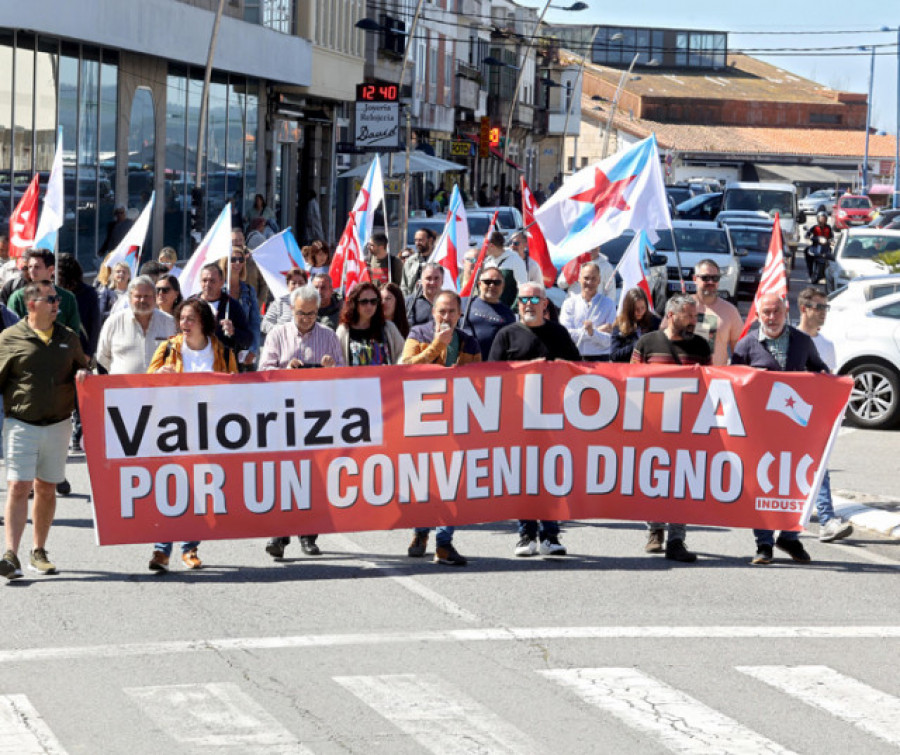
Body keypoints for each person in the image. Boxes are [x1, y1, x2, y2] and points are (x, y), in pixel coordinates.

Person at [0, 280, 90, 580]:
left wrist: (84, 372)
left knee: (47, 487)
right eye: (49, 299)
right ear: (31, 305)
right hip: (20, 424)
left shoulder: (69, 337)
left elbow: (84, 368)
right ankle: (10, 554)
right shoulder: (9, 338)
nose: (56, 304)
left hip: (58, 424)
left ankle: (39, 551)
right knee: (17, 486)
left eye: (56, 300)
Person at [732, 292, 830, 565]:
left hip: (795, 430)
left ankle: (789, 537)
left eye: (776, 312)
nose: (772, 318)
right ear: (758, 315)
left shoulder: (803, 342)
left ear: (786, 312)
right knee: (761, 485)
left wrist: (841, 383)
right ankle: (764, 545)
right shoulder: (747, 345)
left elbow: (820, 372)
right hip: (759, 432)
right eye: (766, 313)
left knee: (794, 484)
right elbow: (732, 382)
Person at [147, 298, 238, 571]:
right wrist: (157, 375)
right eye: (182, 318)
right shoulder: (168, 348)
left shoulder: (221, 351)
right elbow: (147, 381)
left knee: (201, 489)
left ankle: (190, 548)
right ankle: (161, 551)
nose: (184, 324)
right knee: (171, 487)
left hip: (209, 431)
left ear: (203, 323)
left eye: (190, 319)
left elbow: (236, 387)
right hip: (172, 429)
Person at [489, 283, 579, 557]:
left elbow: (577, 367)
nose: (528, 304)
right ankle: (526, 535)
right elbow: (491, 374)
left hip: (552, 417)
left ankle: (551, 535)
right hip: (517, 418)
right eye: (524, 299)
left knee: (550, 476)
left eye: (534, 299)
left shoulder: (558, 333)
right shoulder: (506, 335)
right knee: (524, 477)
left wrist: (552, 369)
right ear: (518, 305)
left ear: (544, 305)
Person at [259, 285, 344, 560]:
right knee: (284, 476)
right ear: (292, 309)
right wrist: (285, 370)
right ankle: (279, 534)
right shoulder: (277, 334)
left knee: (314, 478)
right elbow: (263, 372)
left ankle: (309, 535)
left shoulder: (329, 336)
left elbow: (346, 377)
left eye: (311, 313)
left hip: (318, 417)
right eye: (301, 313)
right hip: (283, 415)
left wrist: (332, 369)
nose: (306, 318)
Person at [401, 290, 481, 566]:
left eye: (451, 312)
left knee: (451, 481)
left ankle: (444, 542)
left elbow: (478, 382)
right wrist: (436, 345)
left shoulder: (469, 342)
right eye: (441, 311)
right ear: (433, 312)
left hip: (455, 421)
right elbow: (405, 367)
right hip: (421, 421)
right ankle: (421, 532)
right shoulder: (418, 334)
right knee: (424, 479)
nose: (446, 317)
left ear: (460, 314)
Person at [631, 294, 710, 563]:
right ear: (672, 315)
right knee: (654, 479)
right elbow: (630, 381)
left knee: (682, 484)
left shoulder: (701, 345)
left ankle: (677, 539)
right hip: (652, 427)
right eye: (688, 315)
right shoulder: (647, 343)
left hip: (688, 428)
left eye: (695, 315)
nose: (693, 320)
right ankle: (655, 531)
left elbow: (710, 384)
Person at [796, 287, 853, 544]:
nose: (823, 313)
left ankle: (827, 520)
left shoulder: (827, 345)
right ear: (804, 308)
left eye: (825, 308)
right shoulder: (790, 338)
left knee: (820, 468)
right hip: (786, 415)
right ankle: (777, 519)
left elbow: (829, 382)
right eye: (819, 307)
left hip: (815, 417)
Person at [56, 254, 101, 454]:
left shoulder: (89, 293)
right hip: (58, 353)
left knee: (80, 395)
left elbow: (94, 324)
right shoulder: (54, 295)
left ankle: (78, 435)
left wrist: (90, 352)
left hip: (81, 351)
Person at [97, 276, 176, 375]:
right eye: (138, 296)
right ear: (130, 298)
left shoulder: (169, 323)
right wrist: (121, 371)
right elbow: (102, 356)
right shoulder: (113, 322)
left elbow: (177, 354)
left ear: (155, 297)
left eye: (147, 296)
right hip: (124, 388)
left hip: (160, 387)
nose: (142, 300)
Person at [8, 250, 81, 333]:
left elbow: (74, 333)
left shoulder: (67, 298)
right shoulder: (18, 297)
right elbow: (12, 332)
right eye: (30, 267)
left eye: (37, 267)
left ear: (51, 269)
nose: (32, 271)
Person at [336, 281, 405, 365]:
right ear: (354, 303)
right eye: (364, 302)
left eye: (373, 301)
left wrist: (400, 364)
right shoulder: (343, 331)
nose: (369, 306)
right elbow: (337, 360)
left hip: (387, 377)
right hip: (355, 377)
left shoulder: (388, 327)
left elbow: (402, 353)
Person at [560, 261, 617, 361]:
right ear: (579, 279)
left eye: (593, 279)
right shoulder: (569, 304)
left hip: (600, 360)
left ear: (599, 280)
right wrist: (594, 331)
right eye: (586, 278)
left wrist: (593, 332)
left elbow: (609, 340)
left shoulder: (609, 304)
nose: (589, 282)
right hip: (575, 358)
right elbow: (565, 335)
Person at [691, 259, 742, 366]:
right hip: (686, 377)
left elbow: (739, 352)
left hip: (716, 378)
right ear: (695, 279)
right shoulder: (681, 307)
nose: (711, 282)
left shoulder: (730, 310)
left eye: (715, 278)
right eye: (705, 278)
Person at [197, 262, 252, 361]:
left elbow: (247, 340)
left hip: (223, 363)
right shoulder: (191, 304)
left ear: (222, 282)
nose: (207, 284)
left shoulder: (232, 306)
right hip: (195, 362)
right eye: (204, 280)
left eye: (212, 281)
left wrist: (233, 331)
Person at [459, 264, 516, 360]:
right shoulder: (463, 303)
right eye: (487, 282)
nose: (492, 285)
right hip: (462, 363)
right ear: (479, 284)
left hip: (490, 368)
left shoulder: (508, 314)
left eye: (497, 282)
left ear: (503, 285)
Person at [219, 247, 261, 370]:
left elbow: (254, 323)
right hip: (222, 348)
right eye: (233, 259)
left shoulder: (249, 290)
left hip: (243, 348)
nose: (237, 263)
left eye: (241, 259)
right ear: (225, 263)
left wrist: (253, 349)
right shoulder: (219, 290)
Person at [610, 288, 661, 362]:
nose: (640, 312)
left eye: (643, 308)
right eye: (636, 309)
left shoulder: (655, 321)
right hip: (629, 370)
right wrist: (636, 345)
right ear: (629, 309)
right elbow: (614, 355)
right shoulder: (619, 325)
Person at [262, 269, 309, 335]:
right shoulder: (279, 302)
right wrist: (281, 331)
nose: (297, 286)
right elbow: (265, 324)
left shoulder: (313, 302)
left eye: (301, 283)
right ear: (288, 285)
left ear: (306, 284)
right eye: (294, 283)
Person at [405, 262, 445, 327]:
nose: (432, 282)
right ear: (421, 281)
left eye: (436, 278)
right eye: (428, 278)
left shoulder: (451, 302)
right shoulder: (409, 302)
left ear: (442, 281)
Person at [400, 228, 436, 296]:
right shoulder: (410, 261)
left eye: (420, 240)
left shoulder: (438, 260)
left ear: (430, 240)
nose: (417, 243)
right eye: (416, 240)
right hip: (414, 302)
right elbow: (404, 286)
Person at [805, 211, 834, 282]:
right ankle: (810, 273)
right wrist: (812, 238)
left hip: (825, 247)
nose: (822, 220)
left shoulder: (828, 228)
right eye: (821, 218)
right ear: (818, 219)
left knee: (831, 256)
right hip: (815, 246)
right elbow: (807, 235)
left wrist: (831, 241)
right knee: (806, 251)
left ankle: (827, 274)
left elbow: (832, 237)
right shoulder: (815, 227)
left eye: (824, 218)